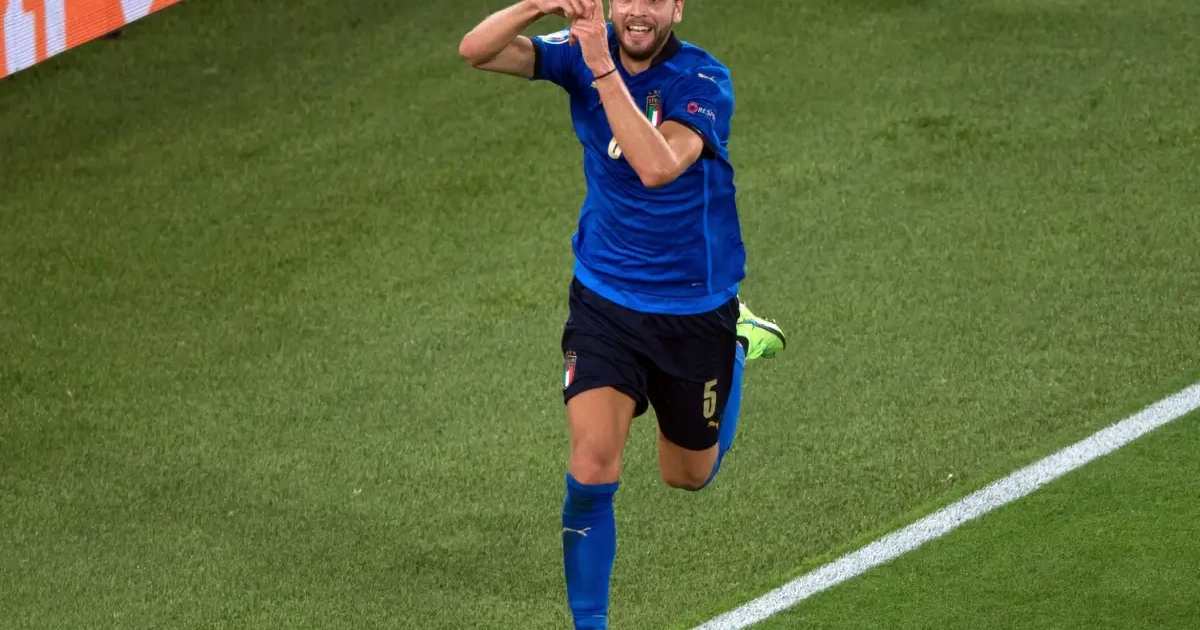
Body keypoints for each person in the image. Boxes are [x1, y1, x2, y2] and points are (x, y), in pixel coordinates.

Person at [459, 1, 786, 627]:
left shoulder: (702, 80)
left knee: (687, 475)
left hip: (693, 306)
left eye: (655, 0)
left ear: (677, 8)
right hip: (604, 300)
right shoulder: (583, 48)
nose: (639, 11)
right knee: (590, 464)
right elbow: (477, 51)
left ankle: (738, 343)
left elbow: (657, 166)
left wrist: (600, 66)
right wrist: (538, 6)